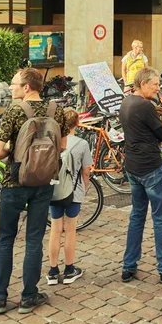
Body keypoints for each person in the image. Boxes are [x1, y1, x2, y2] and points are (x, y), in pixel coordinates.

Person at [0, 68, 71, 315]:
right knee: (34, 239)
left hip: (15, 182)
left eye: (14, 84)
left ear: (27, 87)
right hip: (43, 181)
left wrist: (16, 147)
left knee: (5, 239)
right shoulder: (57, 109)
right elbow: (62, 146)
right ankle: (29, 295)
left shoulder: (14, 111)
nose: (11, 88)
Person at [118, 68, 162, 283]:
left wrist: (159, 124)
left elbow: (140, 128)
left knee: (137, 216)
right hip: (151, 168)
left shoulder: (126, 102)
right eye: (155, 84)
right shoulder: (145, 105)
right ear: (144, 83)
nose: (158, 88)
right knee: (161, 218)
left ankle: (128, 266)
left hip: (133, 167)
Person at [46, 108, 92, 286]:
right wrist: (84, 189)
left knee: (55, 229)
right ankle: (69, 269)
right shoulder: (82, 144)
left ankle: (52, 270)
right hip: (73, 191)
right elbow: (86, 172)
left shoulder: (53, 141)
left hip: (56, 190)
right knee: (70, 229)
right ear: (77, 124)